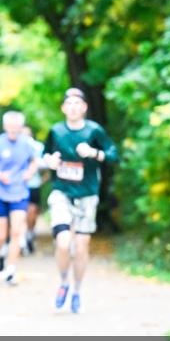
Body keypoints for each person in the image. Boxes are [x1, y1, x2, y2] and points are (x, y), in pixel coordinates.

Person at [42, 87, 118, 314]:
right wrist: (50, 161)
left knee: (82, 246)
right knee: (63, 242)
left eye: (78, 103)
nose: (73, 107)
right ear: (63, 108)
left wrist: (94, 153)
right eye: (69, 103)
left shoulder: (94, 131)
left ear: (84, 107)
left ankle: (77, 291)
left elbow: (113, 154)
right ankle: (63, 282)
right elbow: (45, 154)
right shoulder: (56, 131)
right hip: (62, 193)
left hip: (87, 194)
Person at [0, 111, 39, 285]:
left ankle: (11, 270)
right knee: (1, 235)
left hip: (19, 192)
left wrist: (29, 173)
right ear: (5, 126)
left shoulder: (27, 143)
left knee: (16, 232)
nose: (14, 129)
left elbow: (35, 161)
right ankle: (1, 251)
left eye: (17, 126)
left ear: (21, 127)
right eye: (11, 126)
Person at [21, 125, 46, 255]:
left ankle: (30, 234)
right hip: (17, 186)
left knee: (32, 212)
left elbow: (47, 166)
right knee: (20, 213)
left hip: (33, 185)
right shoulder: (14, 146)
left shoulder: (38, 147)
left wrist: (42, 180)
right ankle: (21, 240)